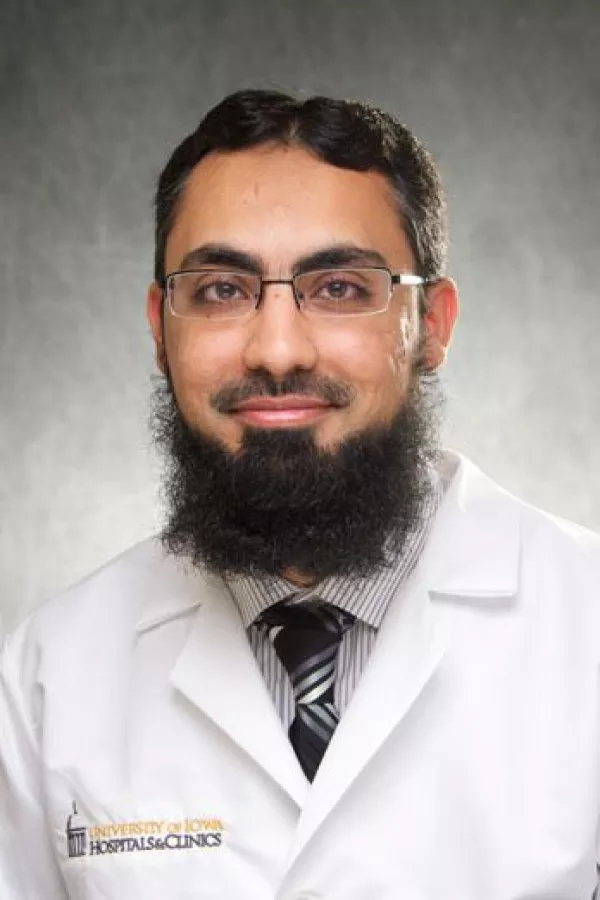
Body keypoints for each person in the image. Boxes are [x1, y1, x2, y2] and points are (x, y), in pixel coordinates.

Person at [1, 89, 599, 900]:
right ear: (160, 328)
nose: (277, 350)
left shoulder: (586, 626)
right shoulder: (48, 678)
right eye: (221, 289)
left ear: (432, 324)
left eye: (339, 287)